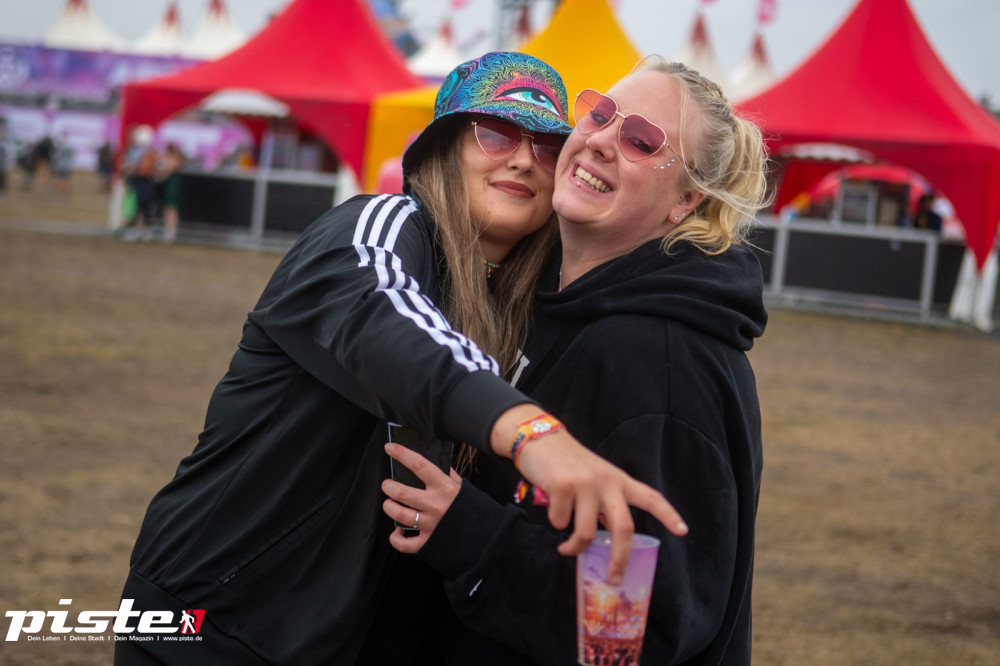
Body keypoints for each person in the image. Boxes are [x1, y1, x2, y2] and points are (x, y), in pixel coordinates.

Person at [115, 52, 685, 666]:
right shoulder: (378, 226)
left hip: (344, 642)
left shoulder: (522, 303)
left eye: (547, 147)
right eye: (495, 134)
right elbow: (387, 324)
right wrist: (532, 434)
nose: (523, 159)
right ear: (442, 150)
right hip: (213, 624)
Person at [383, 56, 770, 665]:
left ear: (686, 201)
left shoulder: (663, 359)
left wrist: (468, 533)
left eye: (642, 140)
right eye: (601, 113)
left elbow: (650, 623)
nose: (602, 141)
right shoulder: (538, 297)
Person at [158, 142, 185, 242]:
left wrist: (163, 171)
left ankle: (172, 230)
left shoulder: (175, 159)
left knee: (172, 208)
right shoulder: (167, 158)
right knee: (167, 208)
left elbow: (169, 169)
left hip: (173, 186)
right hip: (168, 186)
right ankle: (168, 229)